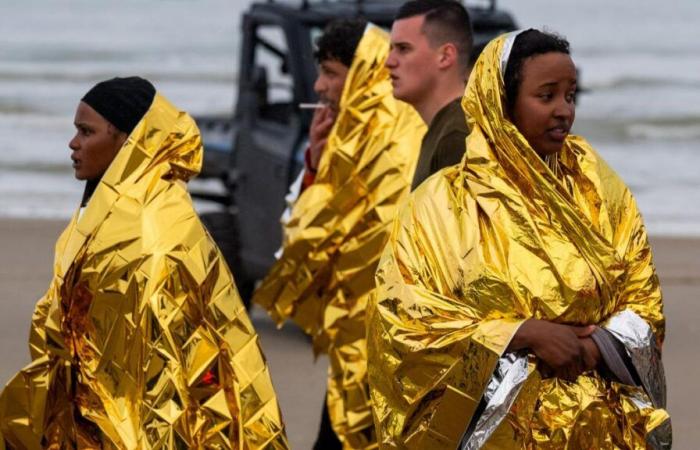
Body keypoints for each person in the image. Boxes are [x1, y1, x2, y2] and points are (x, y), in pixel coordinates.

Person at [368, 30, 671, 449]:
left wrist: (598, 346)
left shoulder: (595, 183)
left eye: (570, 95)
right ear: (502, 102)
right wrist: (522, 334)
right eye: (546, 96)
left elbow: (642, 293)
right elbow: (405, 313)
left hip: (596, 428)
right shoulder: (443, 201)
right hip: (494, 433)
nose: (564, 111)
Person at [0, 77, 289, 449]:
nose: (73, 144)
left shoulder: (152, 234)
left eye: (86, 132)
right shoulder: (114, 214)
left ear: (126, 140)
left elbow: (168, 380)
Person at [253, 21, 425, 450]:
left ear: (364, 70)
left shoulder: (396, 135)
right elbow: (309, 223)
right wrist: (316, 159)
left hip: (385, 335)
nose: (319, 85)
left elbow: (330, 231)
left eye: (331, 73)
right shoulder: (352, 132)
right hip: (353, 333)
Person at [386, 0, 473, 190]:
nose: (389, 61)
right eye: (390, 49)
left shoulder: (458, 136)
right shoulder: (449, 126)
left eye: (403, 49)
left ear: (445, 56)